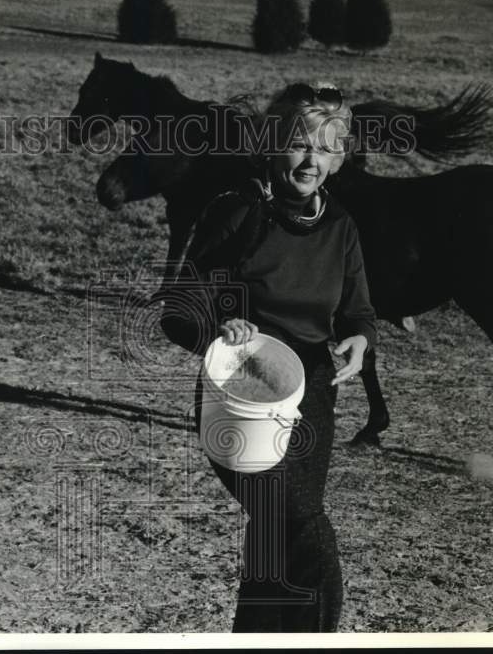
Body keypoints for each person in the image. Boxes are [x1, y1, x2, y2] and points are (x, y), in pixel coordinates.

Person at [160, 82, 377, 632]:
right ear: (273, 145)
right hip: (238, 397)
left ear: (340, 157)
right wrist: (217, 327)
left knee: (274, 527)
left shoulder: (342, 227)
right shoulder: (236, 213)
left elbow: (356, 312)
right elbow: (178, 309)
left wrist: (359, 338)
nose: (313, 160)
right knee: (302, 523)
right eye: (302, 144)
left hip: (315, 395)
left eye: (328, 149)